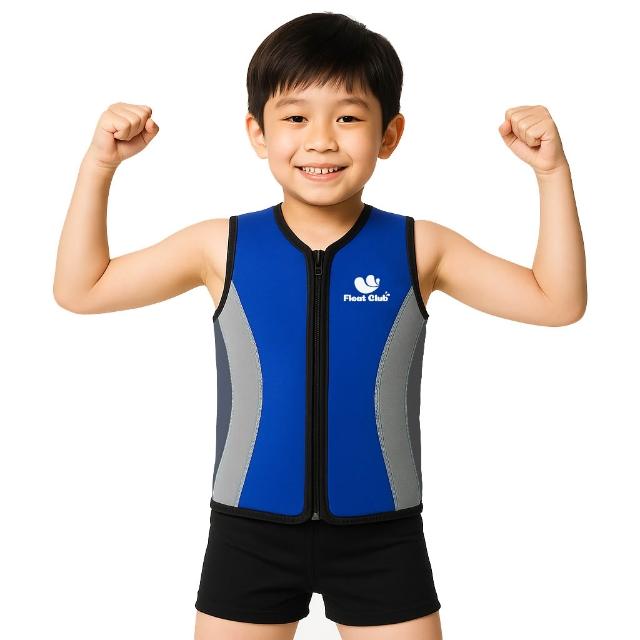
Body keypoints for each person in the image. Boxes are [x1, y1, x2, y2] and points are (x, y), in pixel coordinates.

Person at [53, 11, 587, 640]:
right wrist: (99, 167)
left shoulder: (420, 247)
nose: (322, 141)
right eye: (296, 118)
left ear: (390, 134)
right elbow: (81, 289)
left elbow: (557, 301)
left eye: (349, 118)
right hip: (248, 532)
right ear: (257, 132)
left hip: (382, 535)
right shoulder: (220, 246)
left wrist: (551, 175)